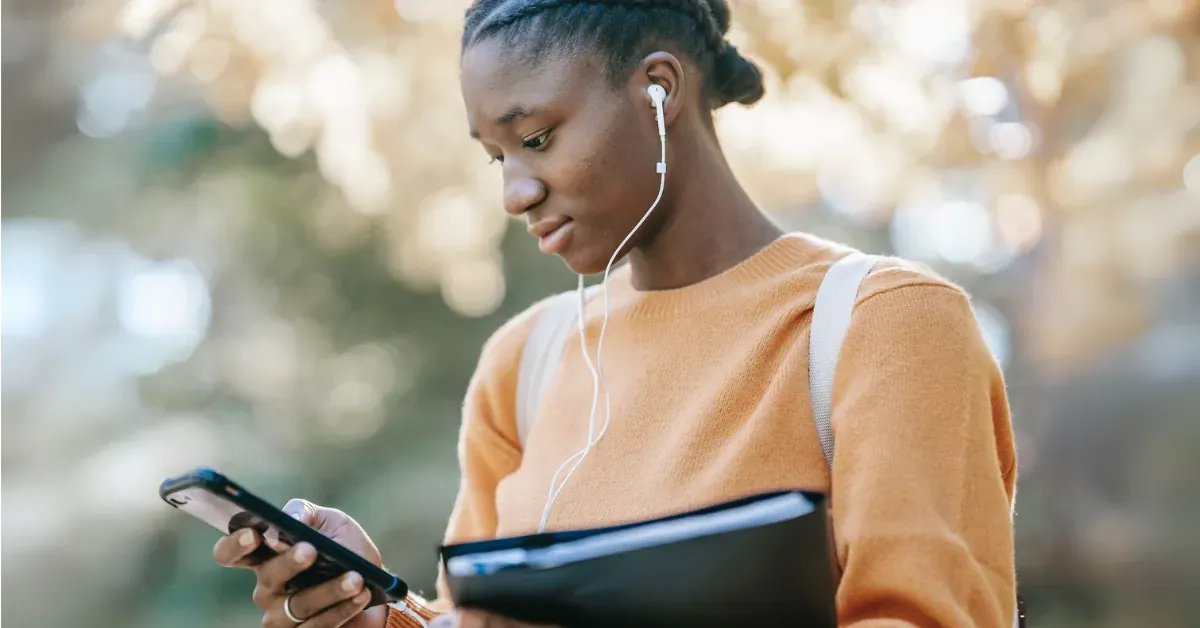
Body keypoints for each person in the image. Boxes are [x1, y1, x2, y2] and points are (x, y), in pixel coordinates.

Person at [212, 1, 1019, 627]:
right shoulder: (523, 363)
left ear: (658, 88)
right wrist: (379, 611)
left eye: (536, 138)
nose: (513, 193)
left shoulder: (886, 326)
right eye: (496, 157)